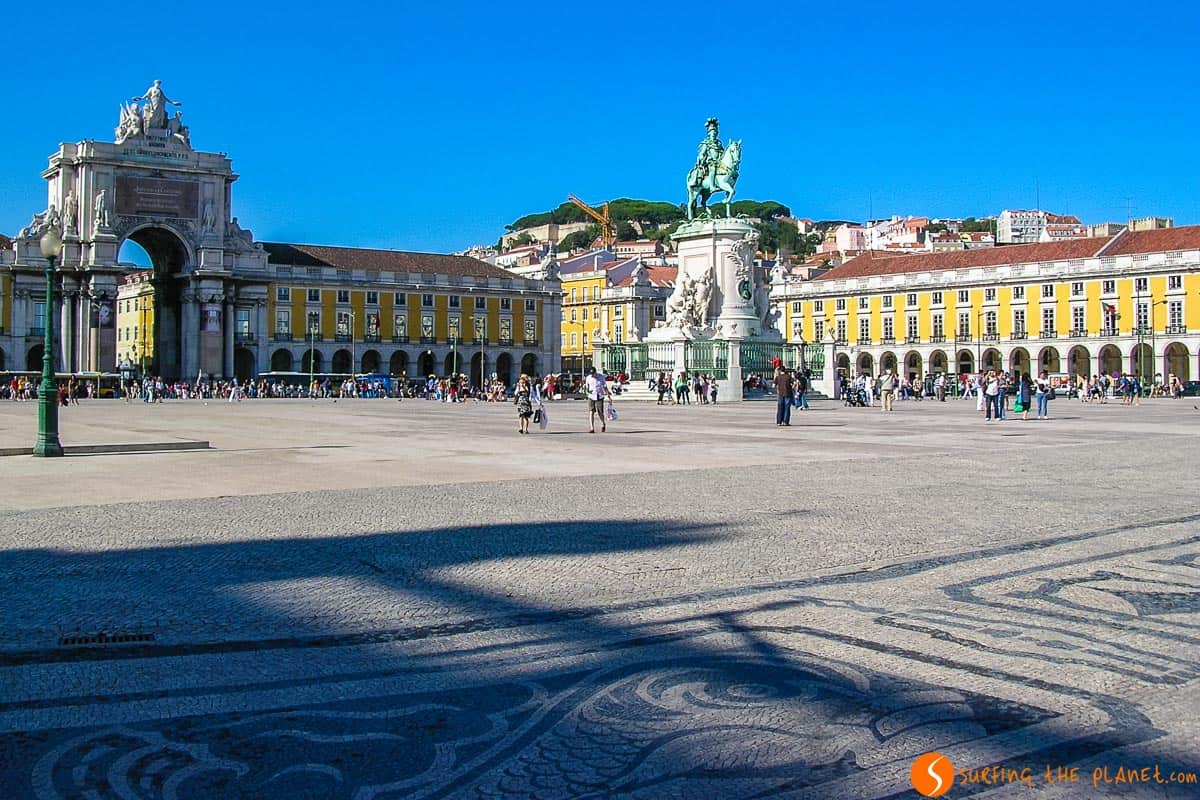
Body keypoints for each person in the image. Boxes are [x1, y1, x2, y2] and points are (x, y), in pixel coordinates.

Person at [585, 366, 607, 433]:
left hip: (599, 396)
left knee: (600, 412)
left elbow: (605, 386)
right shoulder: (588, 378)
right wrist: (587, 391)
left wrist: (608, 395)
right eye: (591, 374)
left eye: (593, 374)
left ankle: (603, 423)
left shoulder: (601, 377)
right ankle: (592, 428)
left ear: (595, 372)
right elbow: (587, 387)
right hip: (591, 396)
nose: (592, 375)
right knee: (591, 412)